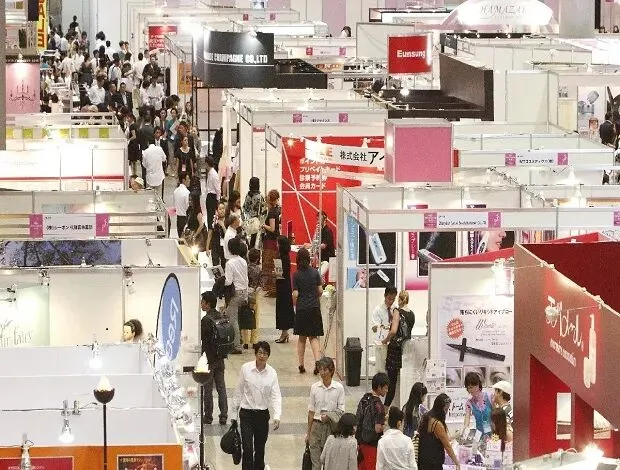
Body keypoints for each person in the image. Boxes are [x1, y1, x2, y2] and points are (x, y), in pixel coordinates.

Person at [233, 341, 282, 470]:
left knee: (260, 449)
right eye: (260, 353)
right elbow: (238, 391)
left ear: (268, 356)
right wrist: (233, 414)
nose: (262, 356)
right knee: (247, 448)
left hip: (262, 415)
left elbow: (276, 395)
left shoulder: (272, 373)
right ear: (255, 354)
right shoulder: (245, 369)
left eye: (265, 354)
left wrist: (277, 415)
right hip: (246, 414)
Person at [307, 357, 345, 470]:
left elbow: (341, 410)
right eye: (320, 369)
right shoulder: (314, 388)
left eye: (325, 369)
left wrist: (329, 416)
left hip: (331, 427)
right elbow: (311, 411)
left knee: (330, 464)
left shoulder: (338, 388)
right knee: (316, 464)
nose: (322, 373)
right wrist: (308, 433)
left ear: (331, 370)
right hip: (316, 426)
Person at [293, 247, 324, 374]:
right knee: (313, 337)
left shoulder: (296, 275)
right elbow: (320, 290)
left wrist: (296, 302)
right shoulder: (315, 272)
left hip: (302, 308)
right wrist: (315, 297)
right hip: (314, 308)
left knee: (302, 338)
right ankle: (317, 362)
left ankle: (301, 364)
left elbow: (295, 294)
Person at [200, 291, 228, 425]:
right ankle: (223, 415)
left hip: (209, 360)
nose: (201, 304)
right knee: (221, 388)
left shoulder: (206, 320)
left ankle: (208, 416)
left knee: (208, 389)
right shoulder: (221, 316)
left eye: (202, 302)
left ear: (208, 304)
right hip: (220, 358)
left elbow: (203, 339)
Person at [355, 372, 389, 470]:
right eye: (385, 388)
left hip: (360, 443)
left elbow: (357, 419)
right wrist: (386, 423)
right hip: (372, 445)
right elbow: (378, 429)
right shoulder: (379, 406)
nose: (387, 391)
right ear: (379, 387)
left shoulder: (364, 399)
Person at [418, 394, 460, 470]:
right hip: (433, 462)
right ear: (440, 408)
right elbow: (447, 446)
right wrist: (456, 462)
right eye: (446, 409)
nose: (446, 412)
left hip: (423, 459)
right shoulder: (437, 424)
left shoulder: (426, 417)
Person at [225, 237, 248, 355]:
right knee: (234, 318)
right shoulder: (243, 261)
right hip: (243, 292)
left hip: (235, 294)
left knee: (232, 320)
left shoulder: (229, 263)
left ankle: (237, 345)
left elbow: (228, 281)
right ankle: (237, 341)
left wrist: (220, 279)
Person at [275, 235, 295, 343]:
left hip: (282, 286)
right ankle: (284, 332)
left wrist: (275, 273)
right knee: (284, 308)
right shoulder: (286, 256)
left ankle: (284, 333)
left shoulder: (282, 258)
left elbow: (280, 274)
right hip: (285, 285)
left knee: (282, 309)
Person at [463, 371, 494, 440]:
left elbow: (497, 414)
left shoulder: (489, 397)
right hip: (480, 436)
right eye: (469, 388)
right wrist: (465, 430)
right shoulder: (469, 403)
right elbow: (467, 418)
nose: (471, 390)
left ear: (478, 385)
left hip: (493, 434)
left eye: (472, 387)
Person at [261, 189, 280, 295]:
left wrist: (263, 225)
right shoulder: (277, 209)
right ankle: (274, 288)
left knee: (269, 264)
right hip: (274, 240)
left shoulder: (272, 212)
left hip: (270, 242)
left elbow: (272, 228)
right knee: (275, 264)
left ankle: (272, 288)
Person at [243, 248, 262, 349]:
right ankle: (254, 340)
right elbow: (261, 284)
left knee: (244, 316)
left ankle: (245, 341)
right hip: (255, 295)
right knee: (255, 317)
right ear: (257, 259)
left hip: (246, 294)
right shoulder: (259, 269)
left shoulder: (245, 268)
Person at [243, 177, 268, 248]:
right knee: (257, 241)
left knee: (250, 240)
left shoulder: (247, 195)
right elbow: (264, 210)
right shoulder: (260, 196)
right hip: (257, 221)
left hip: (249, 220)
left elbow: (245, 208)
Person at [206, 201, 226, 267]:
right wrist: (207, 248)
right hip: (215, 245)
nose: (222, 210)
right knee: (215, 265)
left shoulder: (228, 220)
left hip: (224, 246)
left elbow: (228, 235)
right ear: (216, 211)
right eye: (220, 209)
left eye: (223, 208)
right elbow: (209, 235)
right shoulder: (214, 220)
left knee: (224, 264)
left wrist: (223, 226)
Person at [173, 172, 191, 238]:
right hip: (186, 218)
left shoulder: (175, 191)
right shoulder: (187, 192)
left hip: (178, 218)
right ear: (183, 180)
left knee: (180, 238)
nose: (189, 180)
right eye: (188, 179)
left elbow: (174, 203)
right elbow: (188, 206)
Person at [205, 156, 220, 230]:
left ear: (207, 163)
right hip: (209, 196)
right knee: (209, 216)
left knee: (211, 216)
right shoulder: (210, 173)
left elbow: (218, 188)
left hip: (212, 197)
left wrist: (218, 199)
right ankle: (210, 230)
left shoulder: (214, 174)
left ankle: (211, 230)